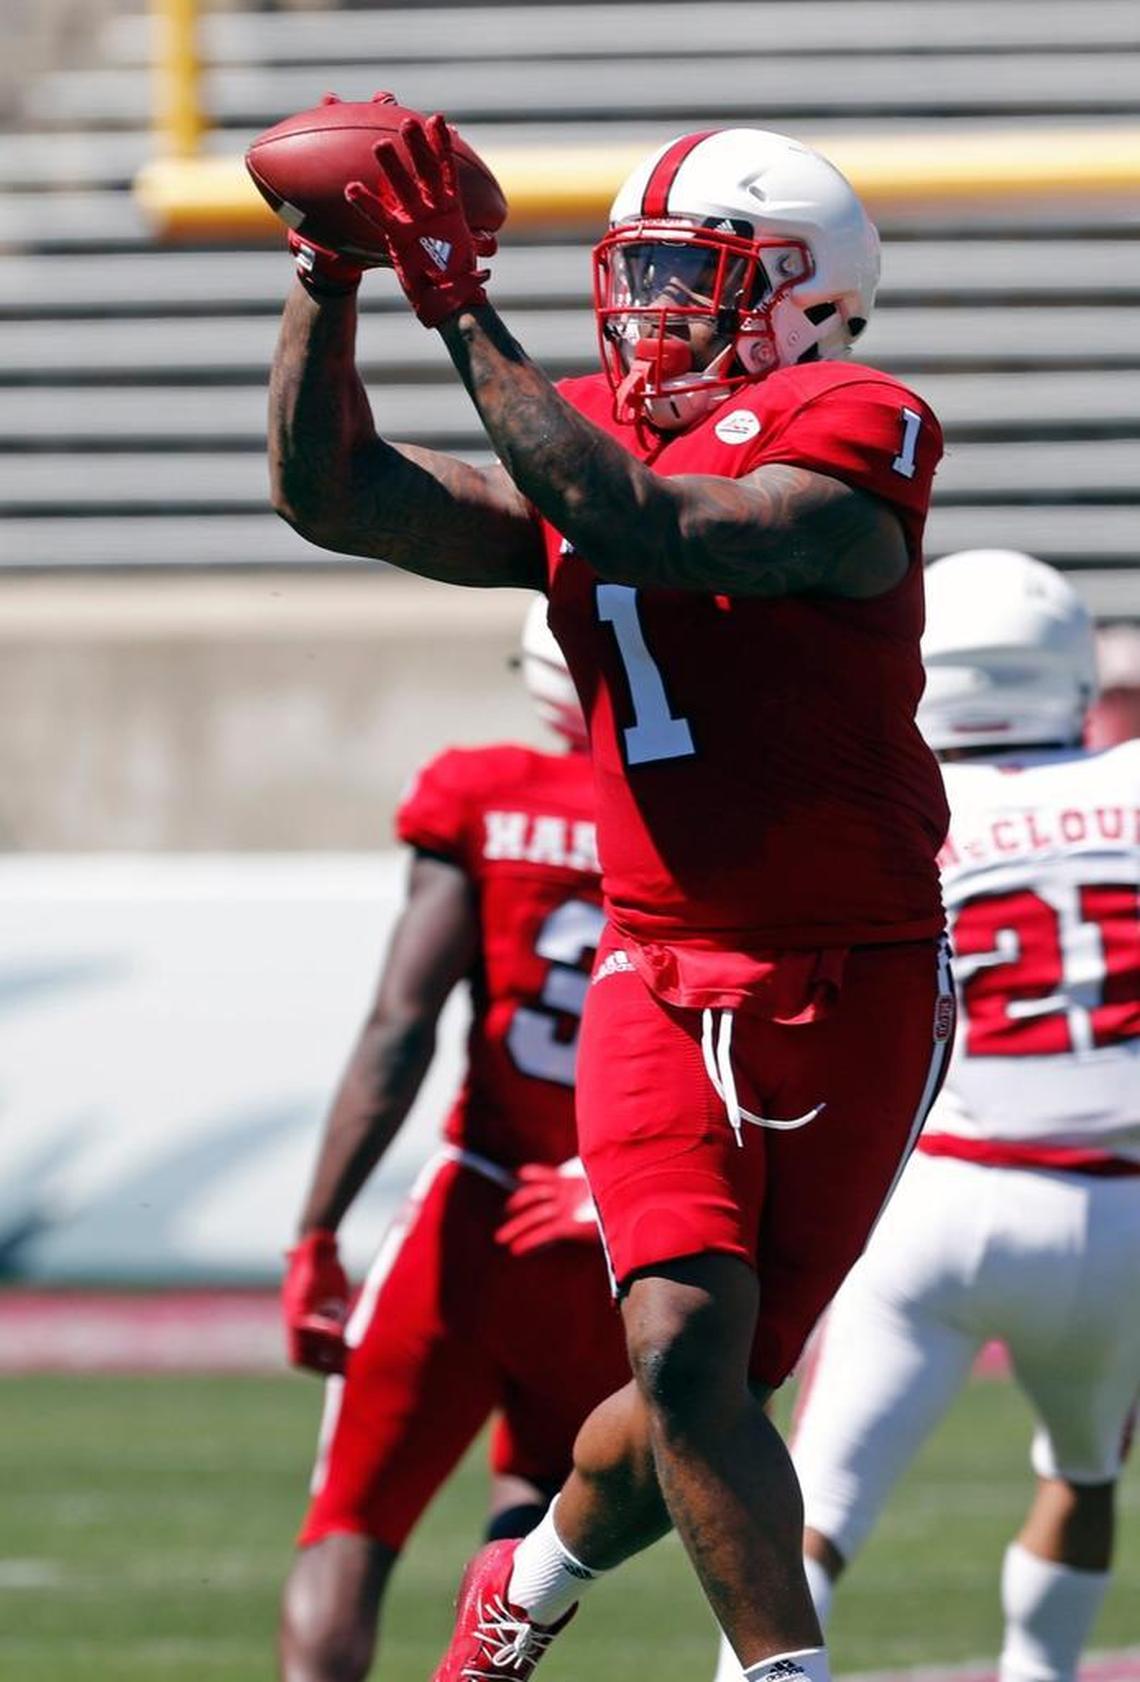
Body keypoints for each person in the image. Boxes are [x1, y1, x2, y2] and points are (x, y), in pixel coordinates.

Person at [268, 114, 955, 1682]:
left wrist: (461, 311)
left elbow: (662, 526)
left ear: (807, 293)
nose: (652, 307)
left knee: (702, 1400)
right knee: (682, 1351)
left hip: (857, 974)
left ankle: (531, 1577)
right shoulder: (583, 430)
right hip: (657, 968)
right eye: (637, 271)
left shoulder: (861, 417)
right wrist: (334, 277)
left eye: (693, 274)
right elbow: (337, 494)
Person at [763, 550, 1140, 1682]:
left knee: (809, 1520)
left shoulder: (890, 805)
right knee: (1082, 1474)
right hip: (1120, 1211)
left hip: (940, 1190)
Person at [278, 598, 630, 1682]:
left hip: (475, 1216)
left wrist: (317, 1230)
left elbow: (400, 1026)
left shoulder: (485, 793)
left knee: (352, 1522)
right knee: (531, 1529)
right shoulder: (705, 820)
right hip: (622, 1227)